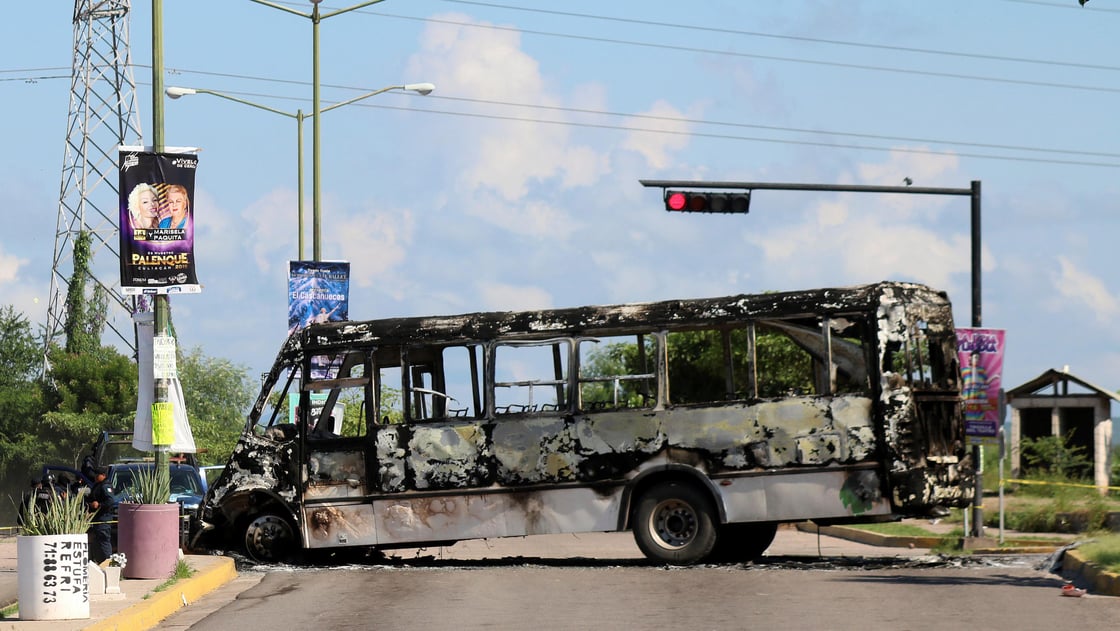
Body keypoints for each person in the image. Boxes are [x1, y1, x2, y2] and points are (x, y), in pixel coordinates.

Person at [86, 466, 116, 564]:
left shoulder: (105, 486)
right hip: (96, 518)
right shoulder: (97, 485)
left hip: (104, 518)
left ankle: (108, 563)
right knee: (96, 542)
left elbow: (110, 501)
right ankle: (99, 562)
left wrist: (99, 505)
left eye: (97, 475)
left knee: (104, 541)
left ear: (103, 475)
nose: (95, 476)